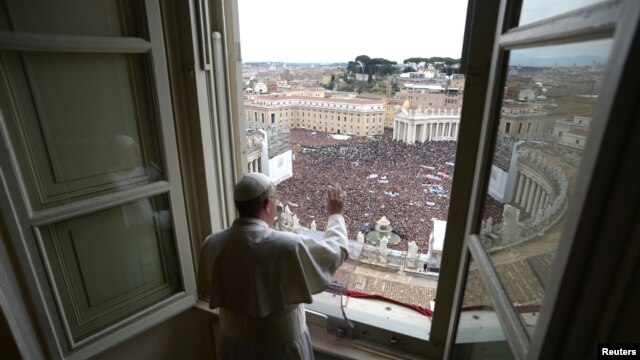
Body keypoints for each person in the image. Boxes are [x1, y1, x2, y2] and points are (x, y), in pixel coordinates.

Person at [198, 172, 349, 359]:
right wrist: (336, 215)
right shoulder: (288, 246)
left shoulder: (211, 243)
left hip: (230, 347)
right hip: (280, 351)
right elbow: (335, 252)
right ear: (267, 204)